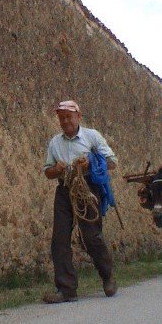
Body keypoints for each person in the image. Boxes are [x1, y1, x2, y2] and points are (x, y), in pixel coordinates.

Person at [42, 100, 118, 303]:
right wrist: (56, 170)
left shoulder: (92, 137)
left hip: (87, 190)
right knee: (59, 239)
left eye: (69, 116)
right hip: (65, 189)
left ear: (78, 116)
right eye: (61, 117)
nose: (65, 120)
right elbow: (47, 172)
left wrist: (91, 162)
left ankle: (107, 276)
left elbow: (112, 162)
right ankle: (66, 289)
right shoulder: (54, 143)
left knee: (91, 237)